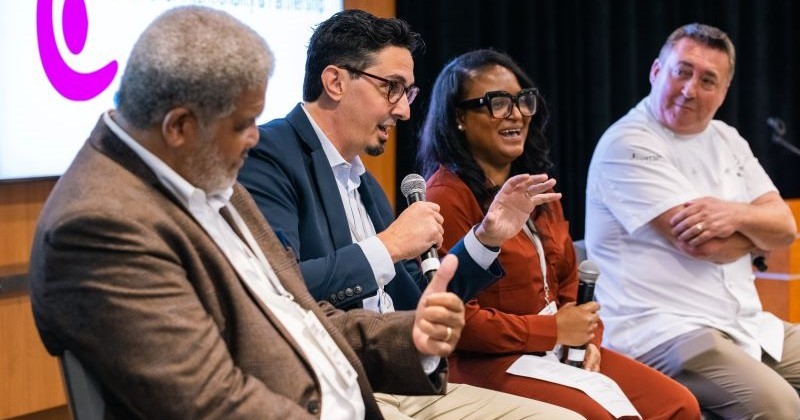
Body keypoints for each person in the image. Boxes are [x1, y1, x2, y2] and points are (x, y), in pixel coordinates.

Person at [28, 6, 473, 419]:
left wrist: (410, 339)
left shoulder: (207, 178)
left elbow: (300, 312)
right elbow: (209, 401)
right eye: (243, 124)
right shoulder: (98, 227)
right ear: (179, 127)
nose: (256, 139)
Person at [238, 9, 583, 420]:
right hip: (335, 384)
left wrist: (487, 236)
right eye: (392, 88)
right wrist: (388, 246)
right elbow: (277, 289)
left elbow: (421, 301)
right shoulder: (270, 154)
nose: (403, 110)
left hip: (405, 379)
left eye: (409, 93)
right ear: (335, 82)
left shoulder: (362, 180)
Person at [417, 48, 701, 419]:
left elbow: (569, 280)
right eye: (498, 103)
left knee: (679, 405)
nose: (516, 113)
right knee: (602, 415)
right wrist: (551, 331)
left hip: (556, 346)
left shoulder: (536, 185)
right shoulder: (445, 197)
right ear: (459, 117)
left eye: (522, 100)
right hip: (484, 362)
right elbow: (459, 321)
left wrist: (588, 340)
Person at [585, 23, 800, 419]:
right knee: (780, 407)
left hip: (745, 323)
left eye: (707, 80)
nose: (690, 89)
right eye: (681, 71)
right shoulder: (628, 142)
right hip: (662, 330)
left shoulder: (726, 137)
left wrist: (731, 213)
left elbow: (786, 227)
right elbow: (704, 245)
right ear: (655, 71)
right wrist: (757, 233)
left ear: (724, 91)